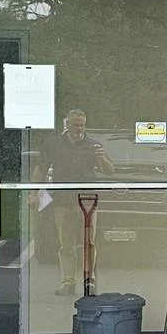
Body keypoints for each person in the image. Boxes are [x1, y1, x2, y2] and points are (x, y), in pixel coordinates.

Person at [46, 109, 112, 293]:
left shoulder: (94, 145)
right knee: (65, 243)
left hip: (87, 200)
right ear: (67, 124)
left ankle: (89, 280)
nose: (79, 128)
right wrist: (35, 192)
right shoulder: (55, 144)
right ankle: (68, 281)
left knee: (88, 242)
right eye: (75, 124)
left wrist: (102, 158)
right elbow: (41, 167)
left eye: (82, 125)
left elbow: (109, 171)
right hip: (62, 200)